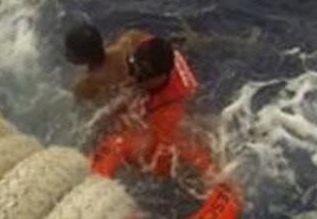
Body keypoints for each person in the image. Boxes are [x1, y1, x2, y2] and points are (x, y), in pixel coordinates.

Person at [65, 24, 241, 219]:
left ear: (156, 78)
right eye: (131, 67)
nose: (130, 78)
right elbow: (136, 39)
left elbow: (168, 149)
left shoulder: (173, 102)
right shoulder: (135, 43)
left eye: (137, 75)